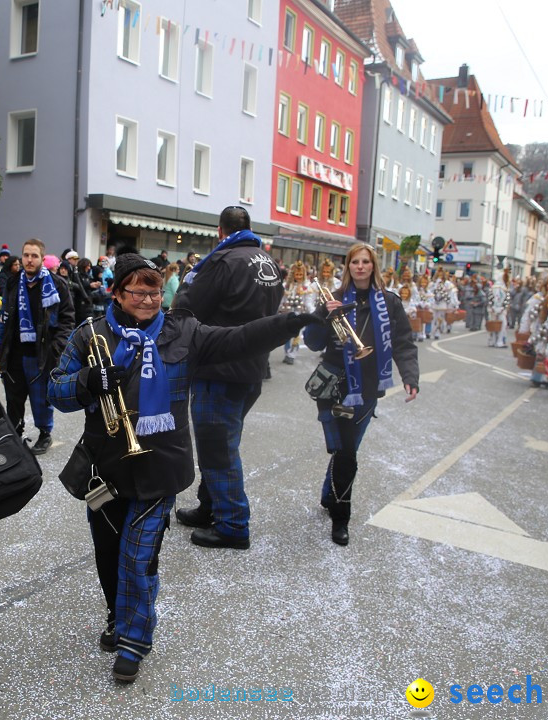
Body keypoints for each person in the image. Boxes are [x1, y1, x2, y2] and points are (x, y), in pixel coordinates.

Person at [48, 254, 320, 683]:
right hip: (106, 466)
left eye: (155, 290)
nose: (150, 299)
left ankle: (135, 639)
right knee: (108, 554)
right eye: (138, 291)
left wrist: (293, 321)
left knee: (138, 558)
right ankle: (118, 618)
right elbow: (55, 391)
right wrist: (88, 381)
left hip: (161, 465)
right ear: (117, 293)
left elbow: (240, 339)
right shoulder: (91, 335)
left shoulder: (183, 331)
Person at [172, 206, 282, 549]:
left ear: (221, 231)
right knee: (218, 442)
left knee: (218, 448)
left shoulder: (221, 261)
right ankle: (212, 506)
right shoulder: (267, 262)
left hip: (220, 366)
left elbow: (186, 309)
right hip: (251, 366)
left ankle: (233, 524)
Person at [304, 243, 419, 546]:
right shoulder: (336, 299)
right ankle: (335, 502)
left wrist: (410, 377)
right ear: (348, 266)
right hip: (334, 385)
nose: (360, 267)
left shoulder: (389, 303)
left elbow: (404, 343)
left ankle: (340, 515)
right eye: (355, 261)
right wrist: (324, 317)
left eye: (366, 261)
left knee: (347, 451)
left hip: (367, 387)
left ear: (373, 266)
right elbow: (313, 343)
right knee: (342, 449)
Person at [0, 238, 75, 455]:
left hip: (42, 353)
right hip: (14, 353)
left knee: (41, 399)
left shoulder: (57, 285)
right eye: (26, 255)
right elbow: (5, 317)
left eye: (34, 256)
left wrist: (57, 347)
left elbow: (67, 320)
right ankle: (14, 433)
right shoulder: (12, 282)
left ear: (41, 258)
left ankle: (44, 434)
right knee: (14, 398)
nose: (29, 260)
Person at [280, 261, 314, 365]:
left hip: (300, 314)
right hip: (287, 313)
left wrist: (313, 312)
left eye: (300, 274)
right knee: (286, 334)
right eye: (296, 274)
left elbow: (308, 300)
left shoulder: (307, 286)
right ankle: (287, 353)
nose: (298, 276)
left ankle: (292, 355)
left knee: (297, 336)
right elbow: (282, 299)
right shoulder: (286, 285)